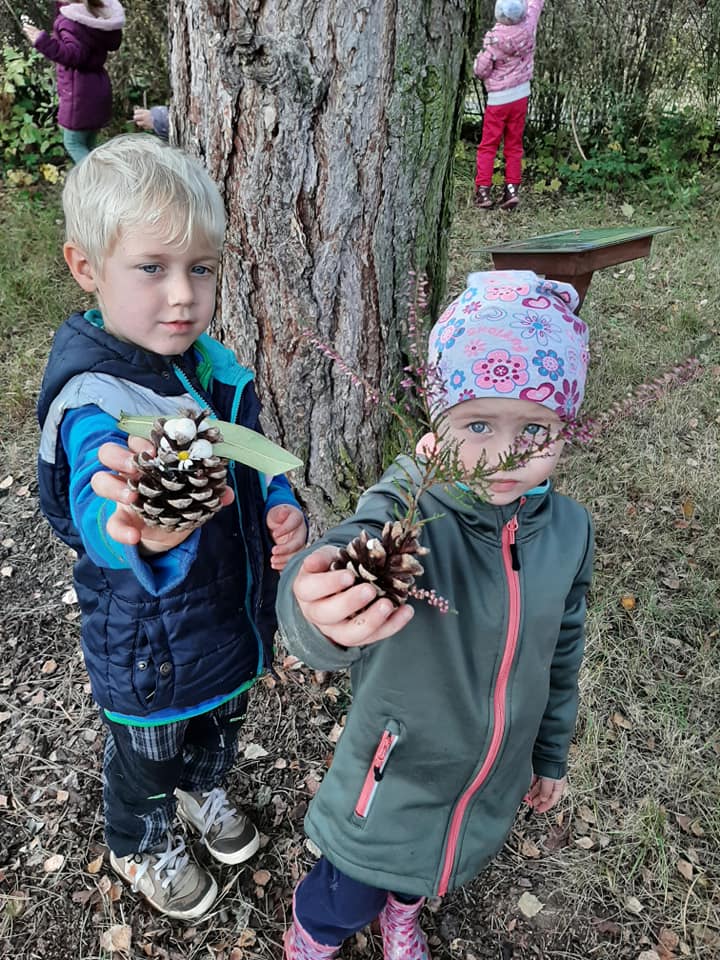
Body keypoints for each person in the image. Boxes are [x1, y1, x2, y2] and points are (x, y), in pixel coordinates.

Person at [276, 270, 593, 959]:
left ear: (565, 430)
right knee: (348, 892)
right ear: (436, 427)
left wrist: (549, 755)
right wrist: (316, 605)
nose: (505, 454)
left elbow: (562, 651)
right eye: (477, 424)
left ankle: (404, 913)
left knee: (420, 874)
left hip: (485, 778)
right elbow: (349, 549)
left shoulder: (570, 532)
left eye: (534, 428)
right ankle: (312, 935)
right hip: (393, 776)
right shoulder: (412, 505)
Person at [36, 134, 307, 920]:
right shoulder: (94, 399)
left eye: (201, 268)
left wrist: (281, 502)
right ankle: (140, 838)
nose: (183, 295)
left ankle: (202, 790)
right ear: (87, 267)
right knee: (147, 755)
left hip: (227, 614)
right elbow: (97, 502)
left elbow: (252, 456)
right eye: (151, 268)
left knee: (220, 725)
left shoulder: (212, 366)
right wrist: (141, 532)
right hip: (148, 643)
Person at [22, 0, 125, 164]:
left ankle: (97, 177)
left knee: (73, 143)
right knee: (89, 144)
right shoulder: (96, 11)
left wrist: (42, 41)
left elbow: (75, 55)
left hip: (80, 93)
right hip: (98, 87)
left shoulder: (70, 21)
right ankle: (99, 176)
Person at [473, 0, 546, 210]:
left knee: (488, 145)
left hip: (498, 100)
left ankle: (483, 191)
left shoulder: (493, 40)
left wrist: (480, 60)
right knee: (514, 145)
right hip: (520, 96)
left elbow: (480, 70)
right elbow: (535, 5)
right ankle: (511, 190)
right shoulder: (528, 27)